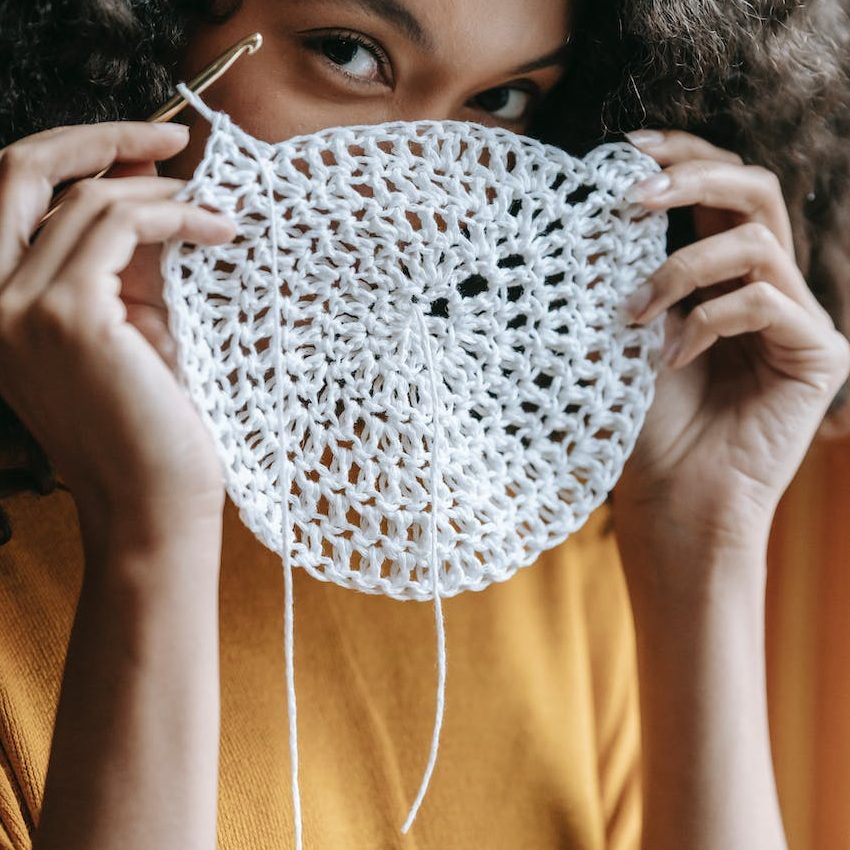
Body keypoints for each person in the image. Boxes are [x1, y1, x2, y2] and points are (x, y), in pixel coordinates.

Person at [0, 2, 847, 849]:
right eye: (348, 54)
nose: (425, 211)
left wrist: (704, 545)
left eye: (504, 101)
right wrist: (149, 534)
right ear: (136, 47)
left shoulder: (525, 549)